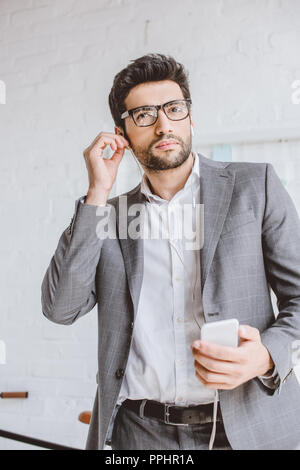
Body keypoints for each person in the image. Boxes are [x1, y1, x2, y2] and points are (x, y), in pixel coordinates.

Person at [41, 53, 300, 450]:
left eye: (174, 108)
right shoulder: (108, 215)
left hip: (247, 426)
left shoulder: (256, 186)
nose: (163, 124)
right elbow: (61, 308)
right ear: (122, 134)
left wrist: (266, 355)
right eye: (144, 114)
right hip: (140, 433)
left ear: (190, 118)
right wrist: (97, 192)